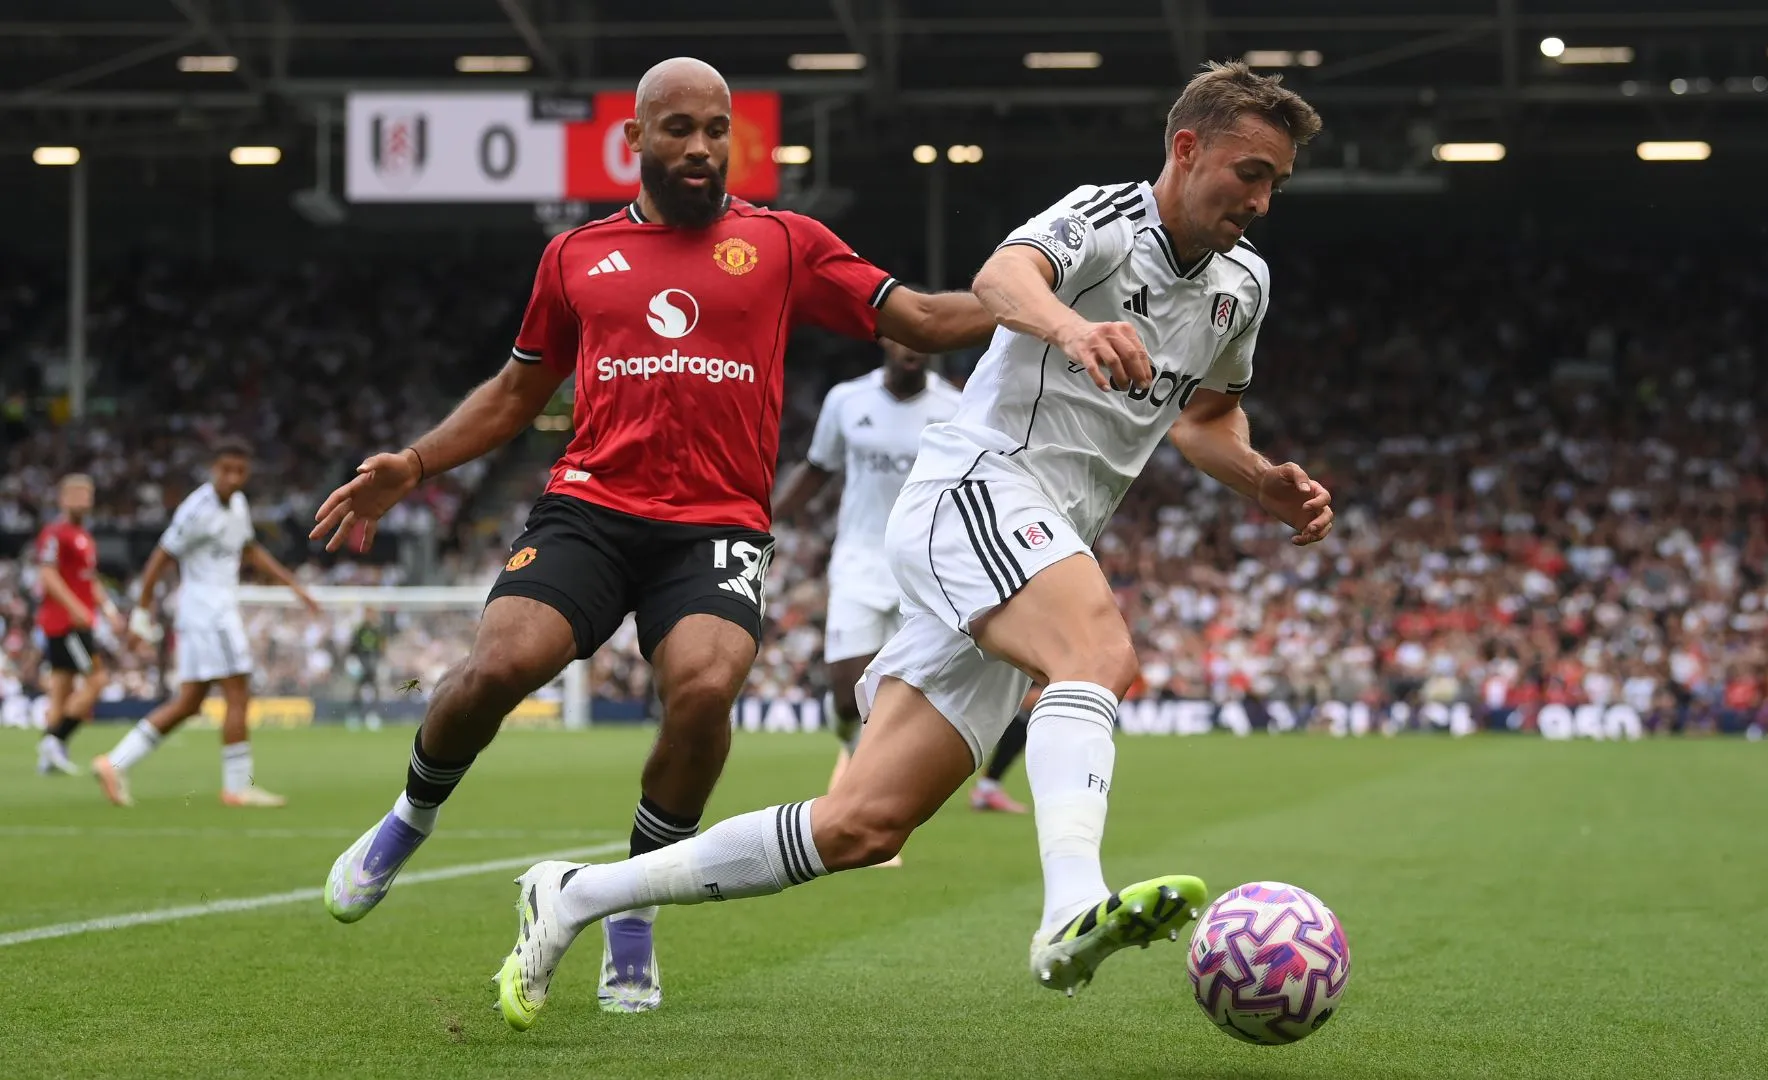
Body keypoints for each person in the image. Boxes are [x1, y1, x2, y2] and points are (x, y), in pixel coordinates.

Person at [491, 60, 1332, 1032]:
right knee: (1097, 654)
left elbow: (1205, 415)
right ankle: (1069, 910)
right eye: (1249, 171)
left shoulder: (1241, 287)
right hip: (976, 490)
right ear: (1186, 150)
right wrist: (1071, 328)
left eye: (1277, 183)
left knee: (860, 823)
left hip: (1038, 540)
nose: (1262, 200)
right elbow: (1001, 276)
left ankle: (577, 893)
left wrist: (1258, 475)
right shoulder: (1108, 218)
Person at [311, 56, 994, 1015]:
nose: (702, 147)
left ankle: (630, 913)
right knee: (498, 667)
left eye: (717, 129)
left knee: (706, 688)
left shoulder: (785, 242)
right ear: (634, 141)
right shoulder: (577, 257)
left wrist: (1040, 303)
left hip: (714, 522)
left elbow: (919, 315)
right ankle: (408, 819)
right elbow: (517, 393)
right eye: (679, 128)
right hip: (590, 509)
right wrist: (415, 465)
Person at [770, 337, 966, 853]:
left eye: (922, 339)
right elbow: (817, 468)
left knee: (899, 695)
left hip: (923, 565)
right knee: (843, 691)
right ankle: (850, 750)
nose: (913, 346)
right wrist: (765, 521)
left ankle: (874, 794)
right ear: (885, 340)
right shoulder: (846, 400)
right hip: (858, 560)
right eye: (904, 334)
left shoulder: (954, 406)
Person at [93, 439, 320, 807]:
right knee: (238, 691)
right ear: (214, 469)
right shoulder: (196, 509)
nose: (232, 477)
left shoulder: (239, 505)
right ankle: (237, 786)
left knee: (188, 703)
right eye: (226, 469)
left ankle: (113, 762)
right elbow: (159, 558)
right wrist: (141, 612)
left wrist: (294, 587)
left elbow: (249, 549)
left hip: (209, 613)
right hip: (209, 614)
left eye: (239, 471)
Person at [33, 474, 122, 776]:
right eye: (77, 494)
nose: (84, 500)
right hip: (66, 623)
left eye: (88, 494)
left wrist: (108, 609)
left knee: (62, 688)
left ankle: (50, 759)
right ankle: (54, 739)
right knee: (96, 681)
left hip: (77, 620)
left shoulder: (84, 537)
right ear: (63, 498)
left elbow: (89, 579)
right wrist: (76, 607)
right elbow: (47, 574)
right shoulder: (55, 533)